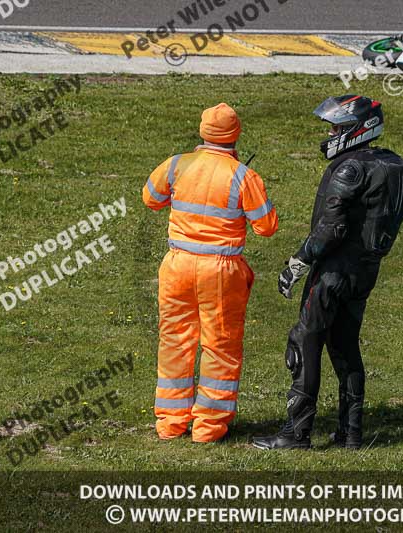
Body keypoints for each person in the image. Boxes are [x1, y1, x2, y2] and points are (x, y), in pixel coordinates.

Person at [252, 95, 403, 450]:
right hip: (364, 271)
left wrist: (297, 263)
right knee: (344, 346)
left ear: (359, 129)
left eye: (338, 128)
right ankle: (350, 434)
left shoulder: (349, 169)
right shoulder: (393, 166)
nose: (332, 134)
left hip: (332, 271)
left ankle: (296, 434)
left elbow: (331, 229)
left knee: (304, 340)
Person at [143, 103, 278, 443]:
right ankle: (208, 427)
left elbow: (151, 198)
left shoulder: (177, 164)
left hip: (177, 265)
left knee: (174, 341)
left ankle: (170, 423)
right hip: (220, 269)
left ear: (203, 132)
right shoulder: (243, 177)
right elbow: (266, 227)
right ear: (235, 136)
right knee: (220, 346)